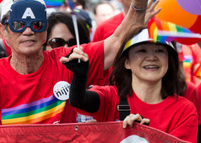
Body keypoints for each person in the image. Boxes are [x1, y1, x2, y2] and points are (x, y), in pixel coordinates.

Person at [0, 0, 154, 136]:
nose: (28, 31)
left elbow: (117, 39)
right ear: (4, 31)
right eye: (18, 24)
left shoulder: (67, 61)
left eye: (36, 24)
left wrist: (139, 3)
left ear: (45, 31)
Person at [65, 29, 198, 143]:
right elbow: (78, 100)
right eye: (142, 50)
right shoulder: (111, 98)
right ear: (127, 62)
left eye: (159, 50)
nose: (151, 57)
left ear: (169, 61)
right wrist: (79, 77)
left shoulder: (184, 111)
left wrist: (145, 136)